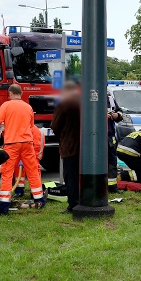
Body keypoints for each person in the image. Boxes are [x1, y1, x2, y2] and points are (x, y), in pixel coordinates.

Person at [0, 84, 45, 212]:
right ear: (21, 94)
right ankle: (39, 199)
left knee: (7, 172)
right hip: (27, 142)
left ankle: (4, 204)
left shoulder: (6, 105)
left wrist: (4, 125)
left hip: (12, 143)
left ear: (10, 93)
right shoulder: (28, 107)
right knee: (32, 170)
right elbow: (31, 126)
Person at [51, 80, 81, 212]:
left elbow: (55, 125)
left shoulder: (64, 104)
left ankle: (73, 204)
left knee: (70, 177)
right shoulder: (84, 103)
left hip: (69, 146)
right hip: (85, 146)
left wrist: (61, 136)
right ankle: (84, 199)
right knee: (81, 176)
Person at [107, 104, 124, 193]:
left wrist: (117, 115)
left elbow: (120, 111)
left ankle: (112, 187)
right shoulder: (90, 96)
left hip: (111, 139)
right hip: (97, 138)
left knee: (112, 163)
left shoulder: (110, 99)